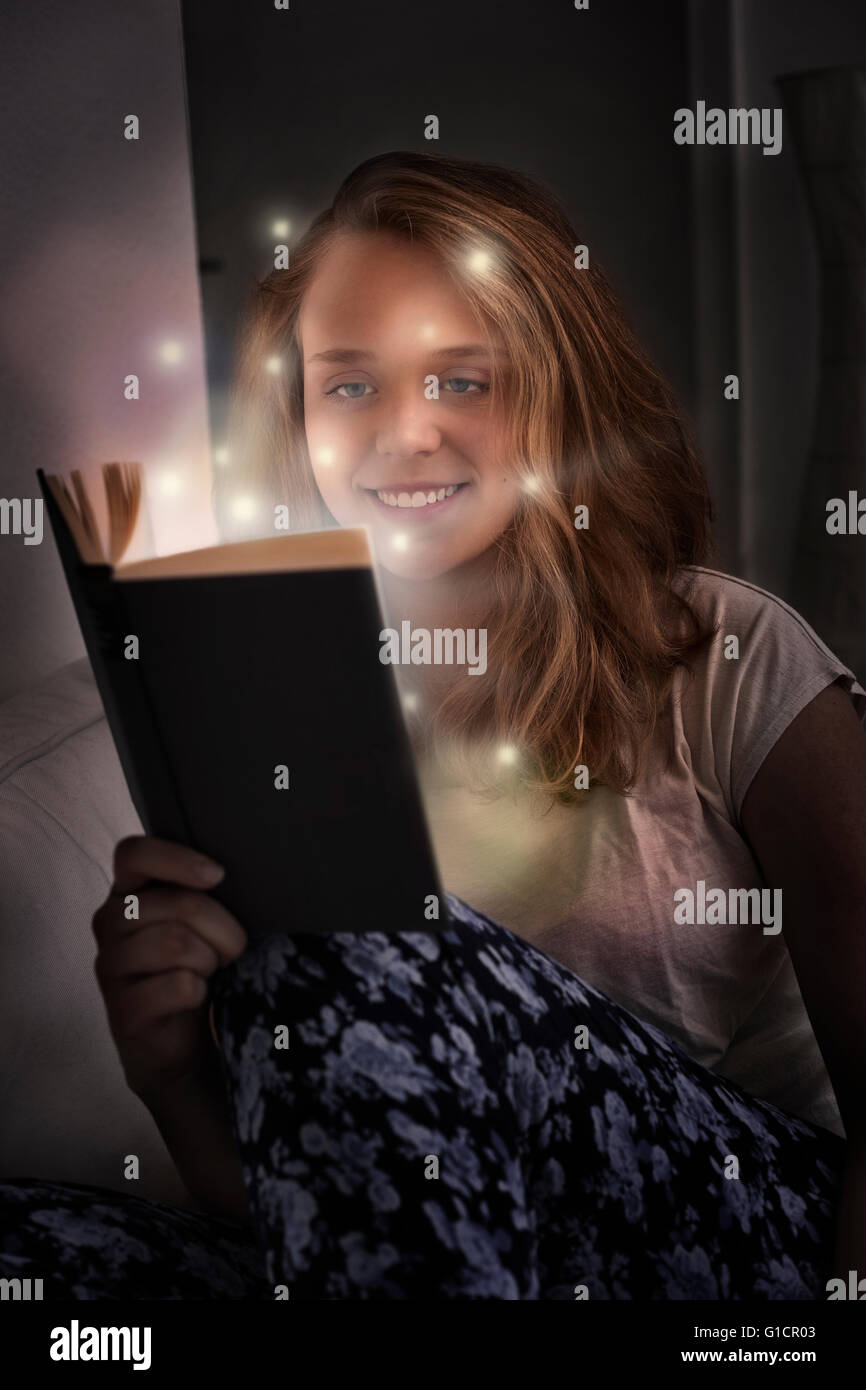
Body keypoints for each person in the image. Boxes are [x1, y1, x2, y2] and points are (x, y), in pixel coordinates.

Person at [3, 151, 866, 1300]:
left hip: (727, 1239)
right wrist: (172, 1075)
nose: (403, 434)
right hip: (439, 1261)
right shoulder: (267, 707)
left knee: (364, 934)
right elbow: (310, 1201)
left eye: (464, 380)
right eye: (348, 385)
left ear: (559, 392)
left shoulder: (729, 656)